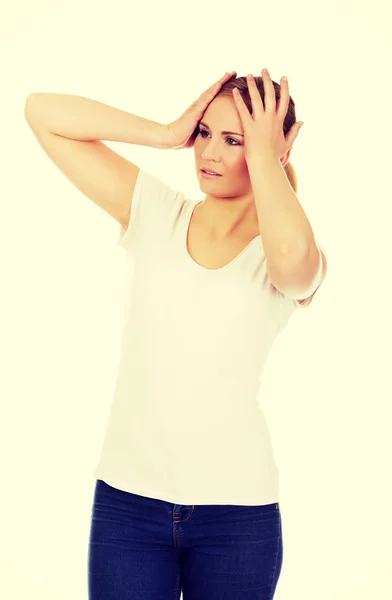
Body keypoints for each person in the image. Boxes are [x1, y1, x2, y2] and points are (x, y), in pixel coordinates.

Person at [25, 70, 327, 600]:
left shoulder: (283, 248)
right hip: (128, 507)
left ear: (275, 151)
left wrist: (265, 159)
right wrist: (166, 132)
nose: (209, 151)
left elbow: (298, 267)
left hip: (238, 518)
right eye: (206, 133)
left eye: (234, 140)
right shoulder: (157, 213)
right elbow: (41, 112)